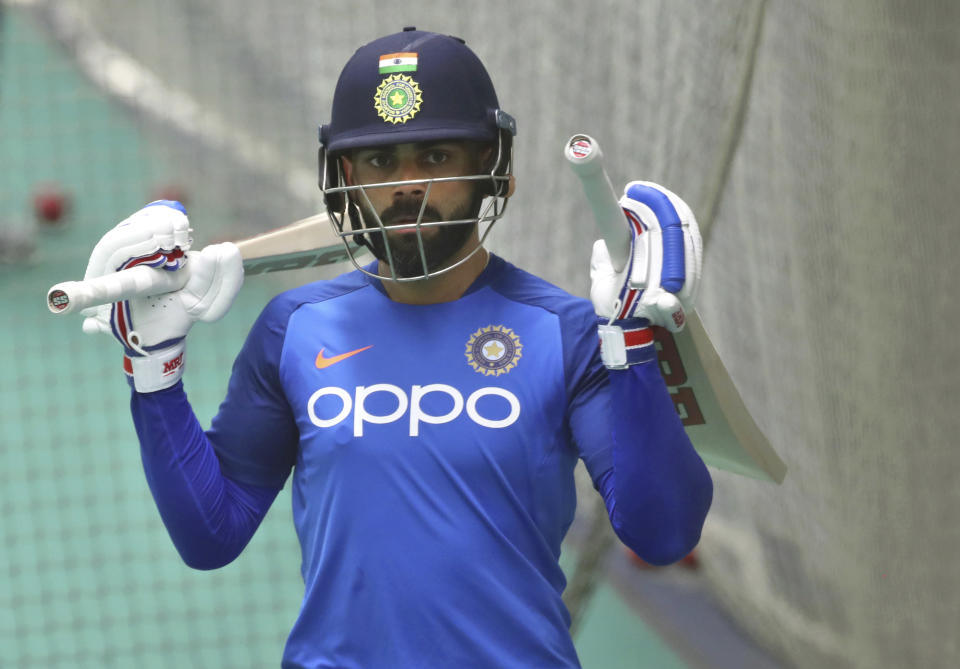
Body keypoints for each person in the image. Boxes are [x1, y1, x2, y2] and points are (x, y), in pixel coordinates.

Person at [80, 28, 713, 669]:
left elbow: (662, 533)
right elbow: (211, 535)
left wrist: (633, 347)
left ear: (494, 167)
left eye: (435, 156)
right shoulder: (293, 327)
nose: (407, 186)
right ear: (346, 177)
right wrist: (154, 372)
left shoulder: (567, 333)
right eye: (381, 162)